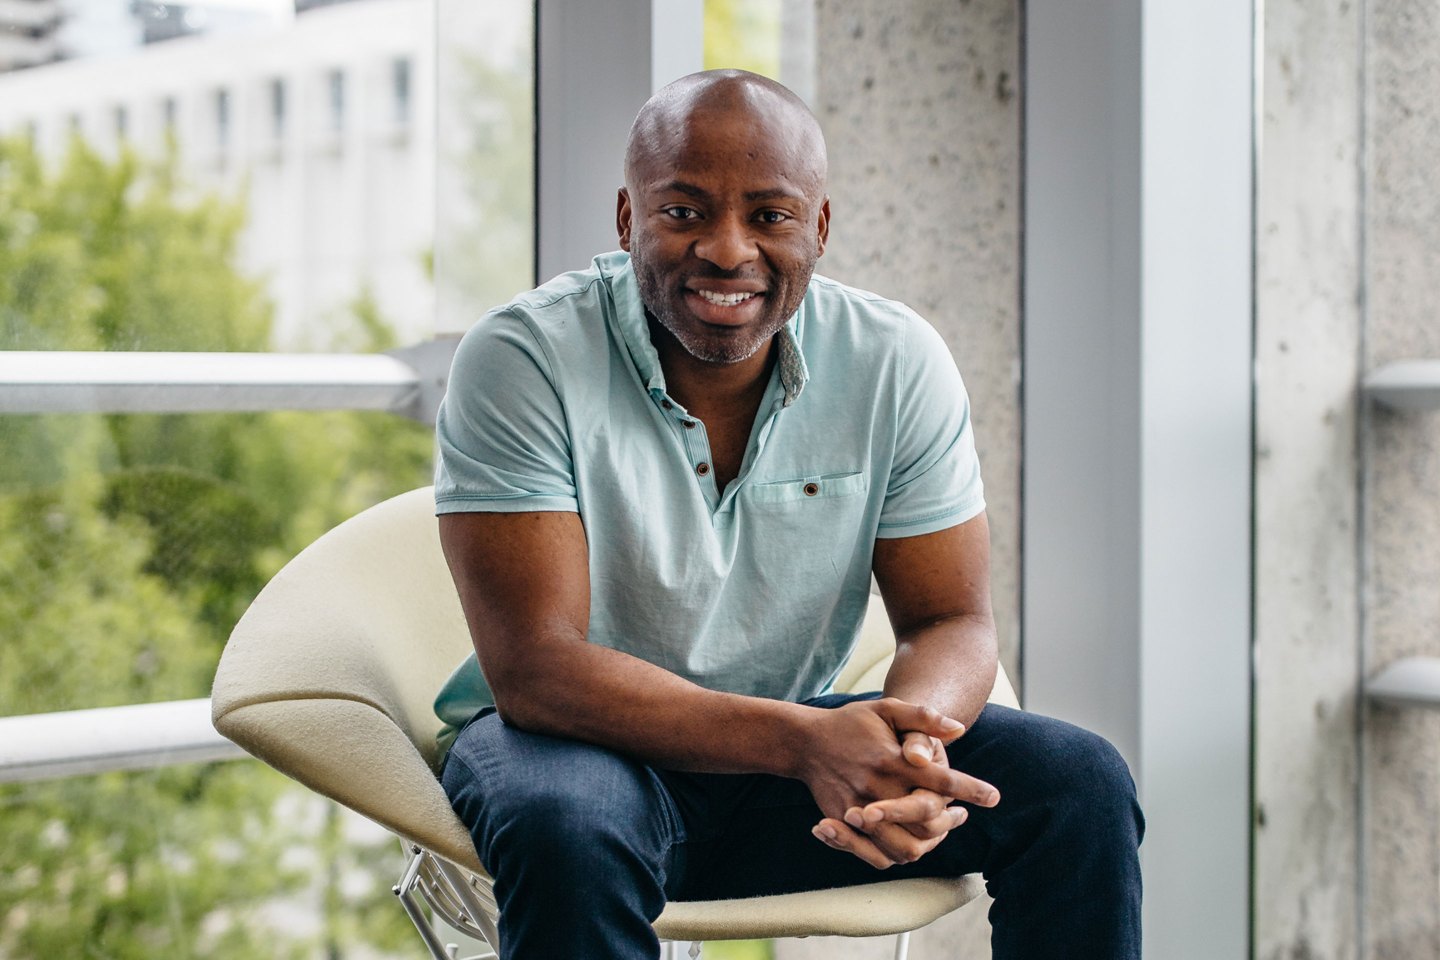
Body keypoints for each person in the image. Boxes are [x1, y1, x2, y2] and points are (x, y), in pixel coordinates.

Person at [431, 68, 1142, 959]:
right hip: (576, 748)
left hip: (785, 755)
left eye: (770, 215)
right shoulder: (523, 357)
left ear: (820, 227)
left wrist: (906, 753)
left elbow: (950, 620)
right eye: (682, 212)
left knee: (1079, 784)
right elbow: (537, 671)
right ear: (625, 218)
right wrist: (806, 743)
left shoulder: (893, 360)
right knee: (568, 825)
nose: (728, 250)